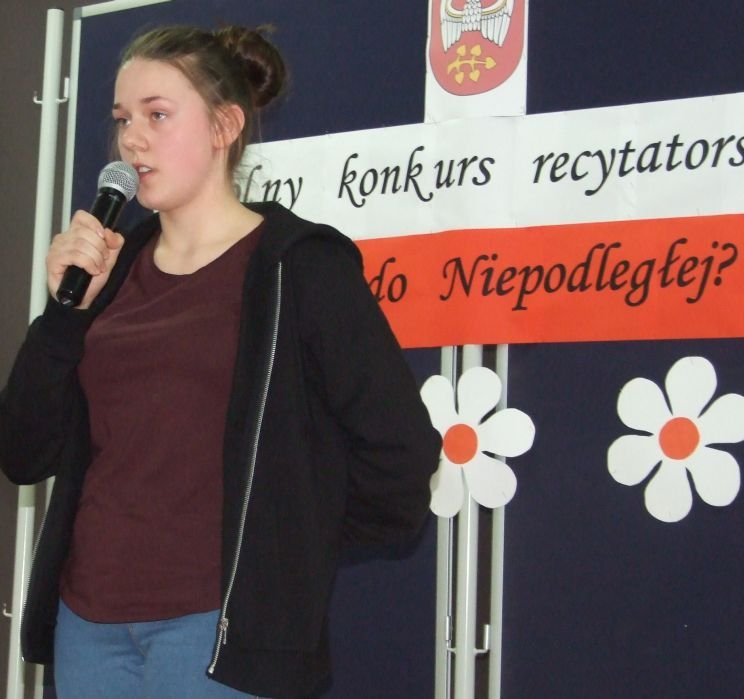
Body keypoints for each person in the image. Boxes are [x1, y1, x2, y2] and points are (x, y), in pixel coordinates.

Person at [0, 24, 441, 699]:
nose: (131, 140)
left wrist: (290, 545)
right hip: (88, 622)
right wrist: (66, 314)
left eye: (157, 115)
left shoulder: (300, 267)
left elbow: (401, 452)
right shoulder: (112, 272)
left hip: (218, 629)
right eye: (122, 119)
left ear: (224, 127)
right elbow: (23, 452)